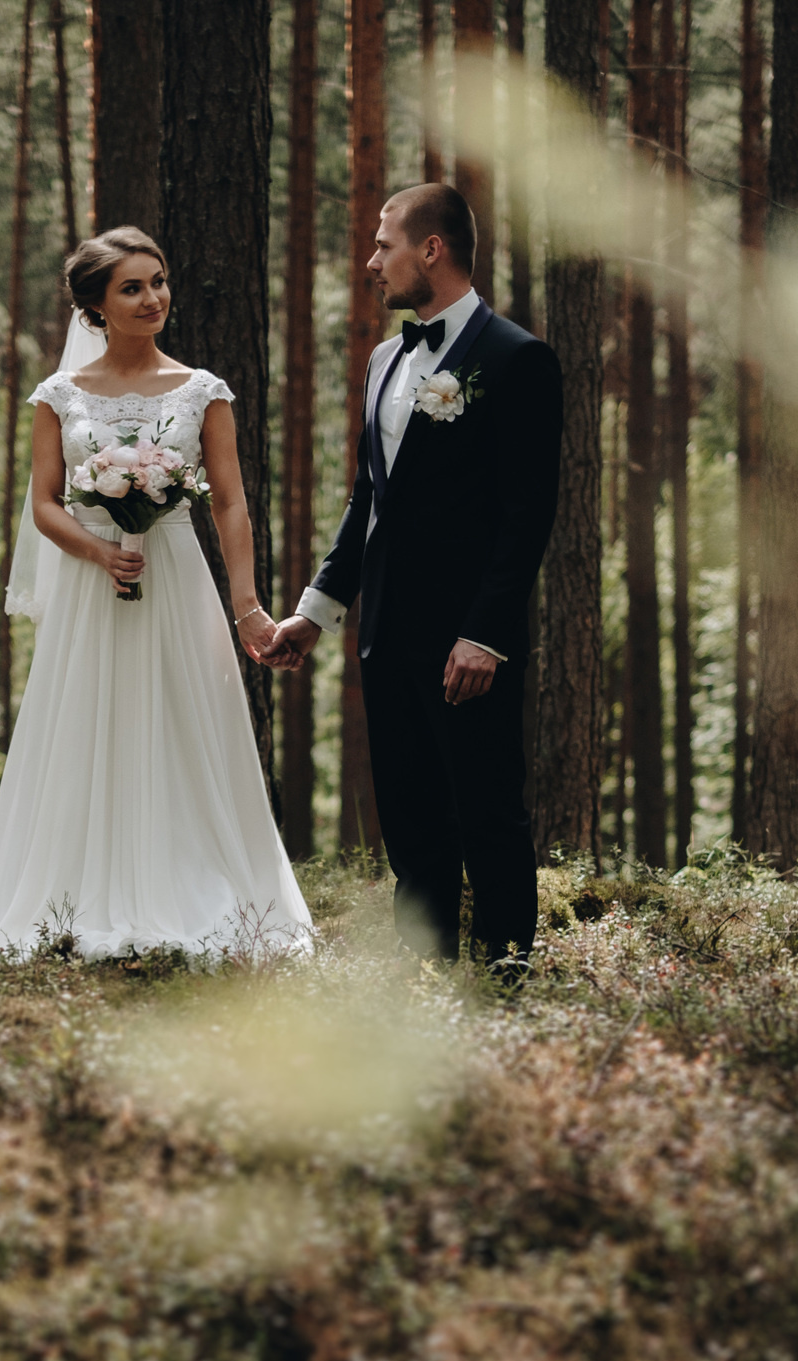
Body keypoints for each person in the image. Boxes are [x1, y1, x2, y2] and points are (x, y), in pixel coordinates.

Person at [0, 228, 311, 966]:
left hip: (180, 577)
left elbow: (229, 504)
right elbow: (46, 504)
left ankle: (197, 886)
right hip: (96, 587)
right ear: (94, 305)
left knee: (187, 722)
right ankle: (72, 889)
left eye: (157, 281)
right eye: (131, 287)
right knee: (89, 721)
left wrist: (247, 606)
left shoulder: (201, 389)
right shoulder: (59, 396)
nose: (152, 297)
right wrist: (98, 552)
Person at [258, 184, 562, 973]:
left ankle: (506, 964)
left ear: (432, 249)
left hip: (469, 640)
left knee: (486, 803)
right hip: (386, 629)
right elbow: (370, 500)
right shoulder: (386, 359)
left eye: (384, 242)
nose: (372, 261)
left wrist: (486, 634)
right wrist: (315, 613)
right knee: (409, 807)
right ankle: (425, 965)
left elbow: (527, 516)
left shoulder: (517, 358)